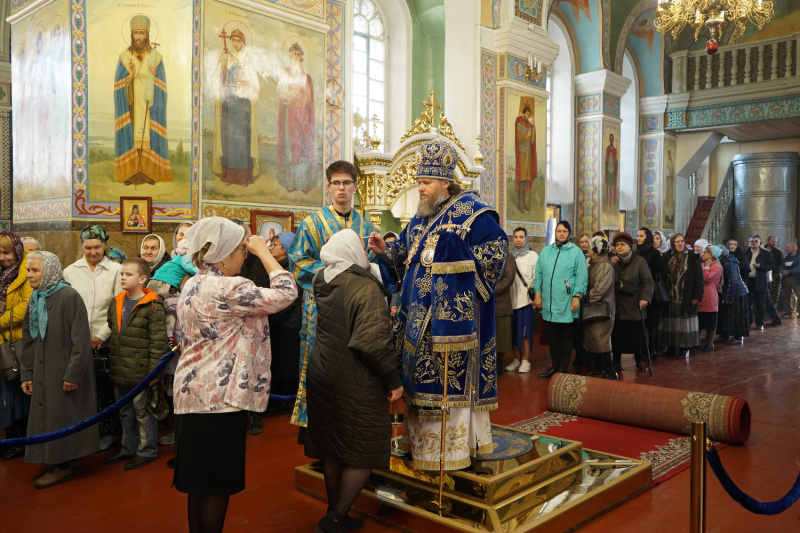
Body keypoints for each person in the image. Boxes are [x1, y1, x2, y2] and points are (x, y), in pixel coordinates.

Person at [368, 139, 508, 470]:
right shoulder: (419, 219)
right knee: (417, 385)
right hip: (414, 317)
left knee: (446, 388)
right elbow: (405, 257)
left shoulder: (474, 212)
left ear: (445, 182)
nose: (421, 188)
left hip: (451, 323)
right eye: (418, 182)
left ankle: (452, 454)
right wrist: (383, 252)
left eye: (426, 182)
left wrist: (457, 257)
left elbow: (497, 253)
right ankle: (419, 448)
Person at [174, 217, 297, 533]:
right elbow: (286, 292)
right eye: (241, 250)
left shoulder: (192, 283)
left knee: (198, 483)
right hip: (221, 397)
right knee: (218, 484)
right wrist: (264, 252)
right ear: (225, 253)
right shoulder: (230, 288)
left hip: (191, 394)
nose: (245, 256)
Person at [305, 230, 403, 533]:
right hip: (354, 378)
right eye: (360, 247)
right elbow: (371, 342)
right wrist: (392, 378)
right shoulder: (363, 287)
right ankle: (336, 517)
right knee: (363, 448)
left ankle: (336, 512)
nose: (364, 251)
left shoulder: (325, 278)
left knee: (335, 446)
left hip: (324, 372)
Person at [287, 160, 375, 430]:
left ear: (355, 186)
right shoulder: (313, 223)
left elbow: (370, 259)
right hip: (321, 306)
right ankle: (315, 423)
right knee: (319, 359)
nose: (341, 188)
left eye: (346, 182)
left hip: (357, 306)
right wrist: (332, 277)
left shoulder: (365, 222)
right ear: (329, 187)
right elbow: (298, 260)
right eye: (336, 183)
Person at [21, 251, 99, 488]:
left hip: (63, 372)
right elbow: (28, 338)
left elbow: (80, 339)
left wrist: (73, 374)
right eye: (28, 270)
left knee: (62, 417)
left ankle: (62, 466)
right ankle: (62, 460)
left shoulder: (68, 296)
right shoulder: (36, 298)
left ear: (50, 271)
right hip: (43, 373)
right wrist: (27, 373)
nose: (29, 275)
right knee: (49, 418)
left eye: (35, 270)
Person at [103, 257, 169, 470]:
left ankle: (146, 450)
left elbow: (158, 342)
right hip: (120, 366)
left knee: (143, 412)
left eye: (128, 274)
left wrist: (154, 373)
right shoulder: (116, 301)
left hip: (142, 371)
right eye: (122, 273)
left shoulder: (152, 305)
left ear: (142, 279)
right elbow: (113, 327)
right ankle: (128, 447)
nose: (123, 277)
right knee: (124, 411)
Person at [63, 225, 122, 449]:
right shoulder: (71, 271)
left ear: (105, 246)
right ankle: (84, 433)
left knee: (104, 390)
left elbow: (118, 307)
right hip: (78, 341)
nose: (92, 252)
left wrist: (101, 335)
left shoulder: (116, 270)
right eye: (87, 247)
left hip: (105, 340)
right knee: (83, 390)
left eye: (97, 247)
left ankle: (106, 433)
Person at [239, 231, 303, 431]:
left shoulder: (293, 270)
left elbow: (288, 300)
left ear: (287, 248)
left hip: (283, 326)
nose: (270, 246)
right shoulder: (258, 264)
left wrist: (268, 320)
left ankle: (281, 402)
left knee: (283, 366)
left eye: (275, 244)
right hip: (265, 323)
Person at [113, 15, 173, 185]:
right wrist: (130, 76)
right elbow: (118, 84)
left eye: (142, 33)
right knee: (133, 136)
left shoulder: (156, 57)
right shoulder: (124, 57)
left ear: (147, 35)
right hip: (131, 104)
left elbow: (162, 87)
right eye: (135, 33)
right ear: (131, 35)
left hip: (150, 105)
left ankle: (148, 172)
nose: (138, 37)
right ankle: (131, 173)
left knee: (149, 137)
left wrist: (154, 76)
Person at [533, 220, 588, 378]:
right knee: (552, 338)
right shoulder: (546, 251)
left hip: (566, 302)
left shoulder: (575, 252)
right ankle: (555, 367)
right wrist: (538, 295)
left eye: (564, 231)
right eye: (559, 231)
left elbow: (581, 276)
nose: (561, 234)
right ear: (555, 233)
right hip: (549, 303)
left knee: (565, 338)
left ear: (569, 233)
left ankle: (563, 370)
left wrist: (577, 296)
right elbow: (539, 274)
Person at [0, 231, 32, 461]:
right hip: (1, 342)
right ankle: (9, 437)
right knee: (4, 395)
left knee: (19, 393)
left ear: (17, 251)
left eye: (6, 252)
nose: (2, 257)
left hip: (17, 343)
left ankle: (23, 441)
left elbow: (25, 308)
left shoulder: (26, 272)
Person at [611, 232, 653, 372]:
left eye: (623, 244)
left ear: (630, 246)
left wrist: (644, 298)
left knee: (636, 335)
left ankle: (639, 359)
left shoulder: (640, 261)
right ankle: (616, 361)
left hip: (635, 304)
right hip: (618, 305)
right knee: (617, 335)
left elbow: (647, 282)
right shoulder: (614, 262)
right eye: (617, 245)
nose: (620, 247)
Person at [277, 42, 316, 194]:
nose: (295, 57)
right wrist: (291, 94)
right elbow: (281, 92)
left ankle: (304, 183)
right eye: (292, 54)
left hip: (304, 120)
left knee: (305, 150)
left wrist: (301, 100)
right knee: (290, 149)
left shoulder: (307, 78)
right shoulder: (284, 73)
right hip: (289, 119)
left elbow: (309, 98)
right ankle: (291, 183)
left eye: (298, 55)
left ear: (302, 57)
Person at [658, 234, 704, 359]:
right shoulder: (668, 255)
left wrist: (697, 296)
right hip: (671, 295)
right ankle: (672, 347)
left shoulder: (693, 256)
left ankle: (684, 348)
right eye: (677, 241)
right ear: (673, 243)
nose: (680, 243)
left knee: (684, 324)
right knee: (671, 323)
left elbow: (699, 278)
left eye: (682, 241)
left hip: (686, 296)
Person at [583, 235, 616, 380]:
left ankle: (610, 371)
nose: (588, 248)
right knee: (594, 338)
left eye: (590, 246)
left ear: (596, 250)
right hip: (594, 307)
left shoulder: (605, 266)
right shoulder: (595, 263)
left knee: (601, 340)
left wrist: (586, 297)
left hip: (602, 308)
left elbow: (600, 289)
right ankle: (597, 368)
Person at [506, 227, 538, 373]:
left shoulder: (532, 256)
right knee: (513, 331)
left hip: (526, 301)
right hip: (510, 301)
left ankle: (525, 361)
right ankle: (516, 359)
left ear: (526, 238)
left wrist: (537, 297)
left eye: (521, 237)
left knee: (525, 332)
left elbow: (537, 279)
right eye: (516, 237)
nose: (518, 239)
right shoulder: (509, 256)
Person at [636, 228, 668, 358]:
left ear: (647, 237)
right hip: (638, 291)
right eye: (637, 235)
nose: (638, 238)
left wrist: (650, 278)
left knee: (652, 322)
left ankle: (652, 348)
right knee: (642, 321)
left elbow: (663, 272)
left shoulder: (654, 253)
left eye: (641, 236)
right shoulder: (637, 252)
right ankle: (643, 348)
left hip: (653, 292)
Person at [744, 234, 781, 329]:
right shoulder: (745, 252)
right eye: (752, 241)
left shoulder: (765, 253)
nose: (754, 243)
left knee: (760, 303)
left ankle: (759, 323)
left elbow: (771, 266)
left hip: (760, 280)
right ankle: (747, 323)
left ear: (759, 242)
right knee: (747, 303)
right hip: (747, 281)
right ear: (749, 243)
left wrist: (761, 267)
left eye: (756, 241)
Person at [716, 246, 750, 345]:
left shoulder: (730, 262)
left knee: (737, 316)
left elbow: (733, 280)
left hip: (737, 293)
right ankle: (725, 334)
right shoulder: (723, 260)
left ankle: (738, 336)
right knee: (726, 315)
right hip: (729, 292)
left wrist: (730, 297)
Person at [495, 245, 516, 376]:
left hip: (501, 303)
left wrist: (490, 291)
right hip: (483, 304)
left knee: (502, 338)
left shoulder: (508, 257)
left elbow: (508, 278)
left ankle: (498, 364)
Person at [698, 245, 723, 351]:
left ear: (712, 256)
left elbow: (706, 278)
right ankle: (696, 341)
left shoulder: (717, 267)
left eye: (706, 252)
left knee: (710, 321)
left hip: (710, 297)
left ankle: (709, 342)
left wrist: (707, 267)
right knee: (699, 320)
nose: (703, 254)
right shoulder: (701, 264)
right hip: (700, 296)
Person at [514, 105, 537, 214]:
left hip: (528, 154)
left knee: (526, 179)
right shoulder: (520, 124)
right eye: (527, 114)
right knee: (522, 178)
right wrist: (526, 136)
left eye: (529, 114)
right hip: (522, 153)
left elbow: (532, 139)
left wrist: (533, 132)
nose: (528, 116)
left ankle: (524, 204)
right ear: (524, 113)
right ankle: (520, 204)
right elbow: (519, 137)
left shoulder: (530, 125)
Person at [780, 241, 799, 318]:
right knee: (786, 295)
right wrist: (782, 271)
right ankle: (788, 311)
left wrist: (789, 271)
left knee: (799, 295)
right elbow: (781, 266)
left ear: (794, 248)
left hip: (796, 278)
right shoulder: (787, 257)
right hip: (786, 279)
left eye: (788, 247)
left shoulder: (798, 256)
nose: (786, 248)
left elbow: (798, 267)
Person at [766, 236, 784, 312]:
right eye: (773, 241)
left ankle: (772, 310)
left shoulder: (778, 253)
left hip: (775, 275)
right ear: (768, 241)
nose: (774, 243)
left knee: (774, 294)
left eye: (775, 242)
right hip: (763, 275)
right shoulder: (762, 250)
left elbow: (782, 264)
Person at [605, 133, 618, 208]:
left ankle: (612, 203)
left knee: (612, 187)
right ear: (609, 139)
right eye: (610, 138)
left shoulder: (614, 150)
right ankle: (608, 203)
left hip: (613, 171)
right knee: (608, 188)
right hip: (608, 170)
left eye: (612, 139)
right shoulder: (607, 149)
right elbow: (606, 160)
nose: (611, 140)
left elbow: (615, 162)